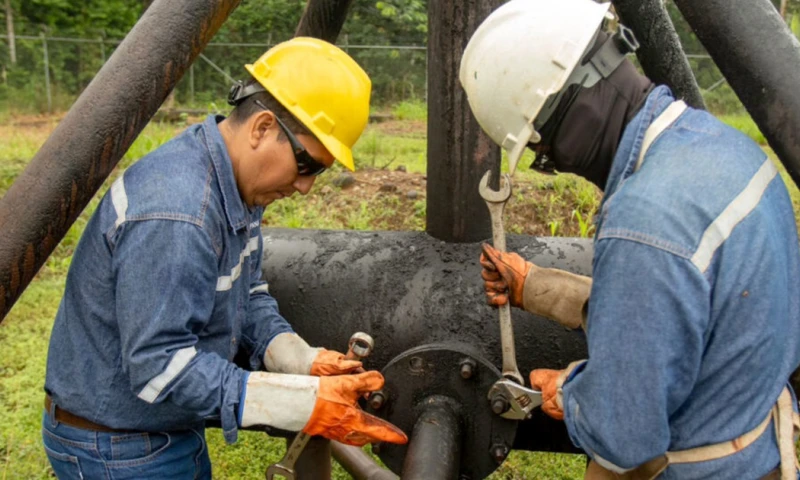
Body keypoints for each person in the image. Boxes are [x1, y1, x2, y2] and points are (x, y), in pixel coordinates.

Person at [461, 1, 800, 478]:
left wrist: (574, 391)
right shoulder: (727, 147)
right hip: (758, 449)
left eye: (543, 154)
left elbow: (625, 434)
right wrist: (536, 287)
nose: (559, 166)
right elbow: (694, 307)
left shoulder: (644, 219)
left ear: (563, 122)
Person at [41, 37, 407, 479]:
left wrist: (298, 359)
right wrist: (299, 403)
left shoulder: (235, 186)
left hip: (159, 431)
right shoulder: (180, 214)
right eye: (307, 164)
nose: (307, 186)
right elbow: (160, 365)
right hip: (117, 446)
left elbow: (247, 295)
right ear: (262, 128)